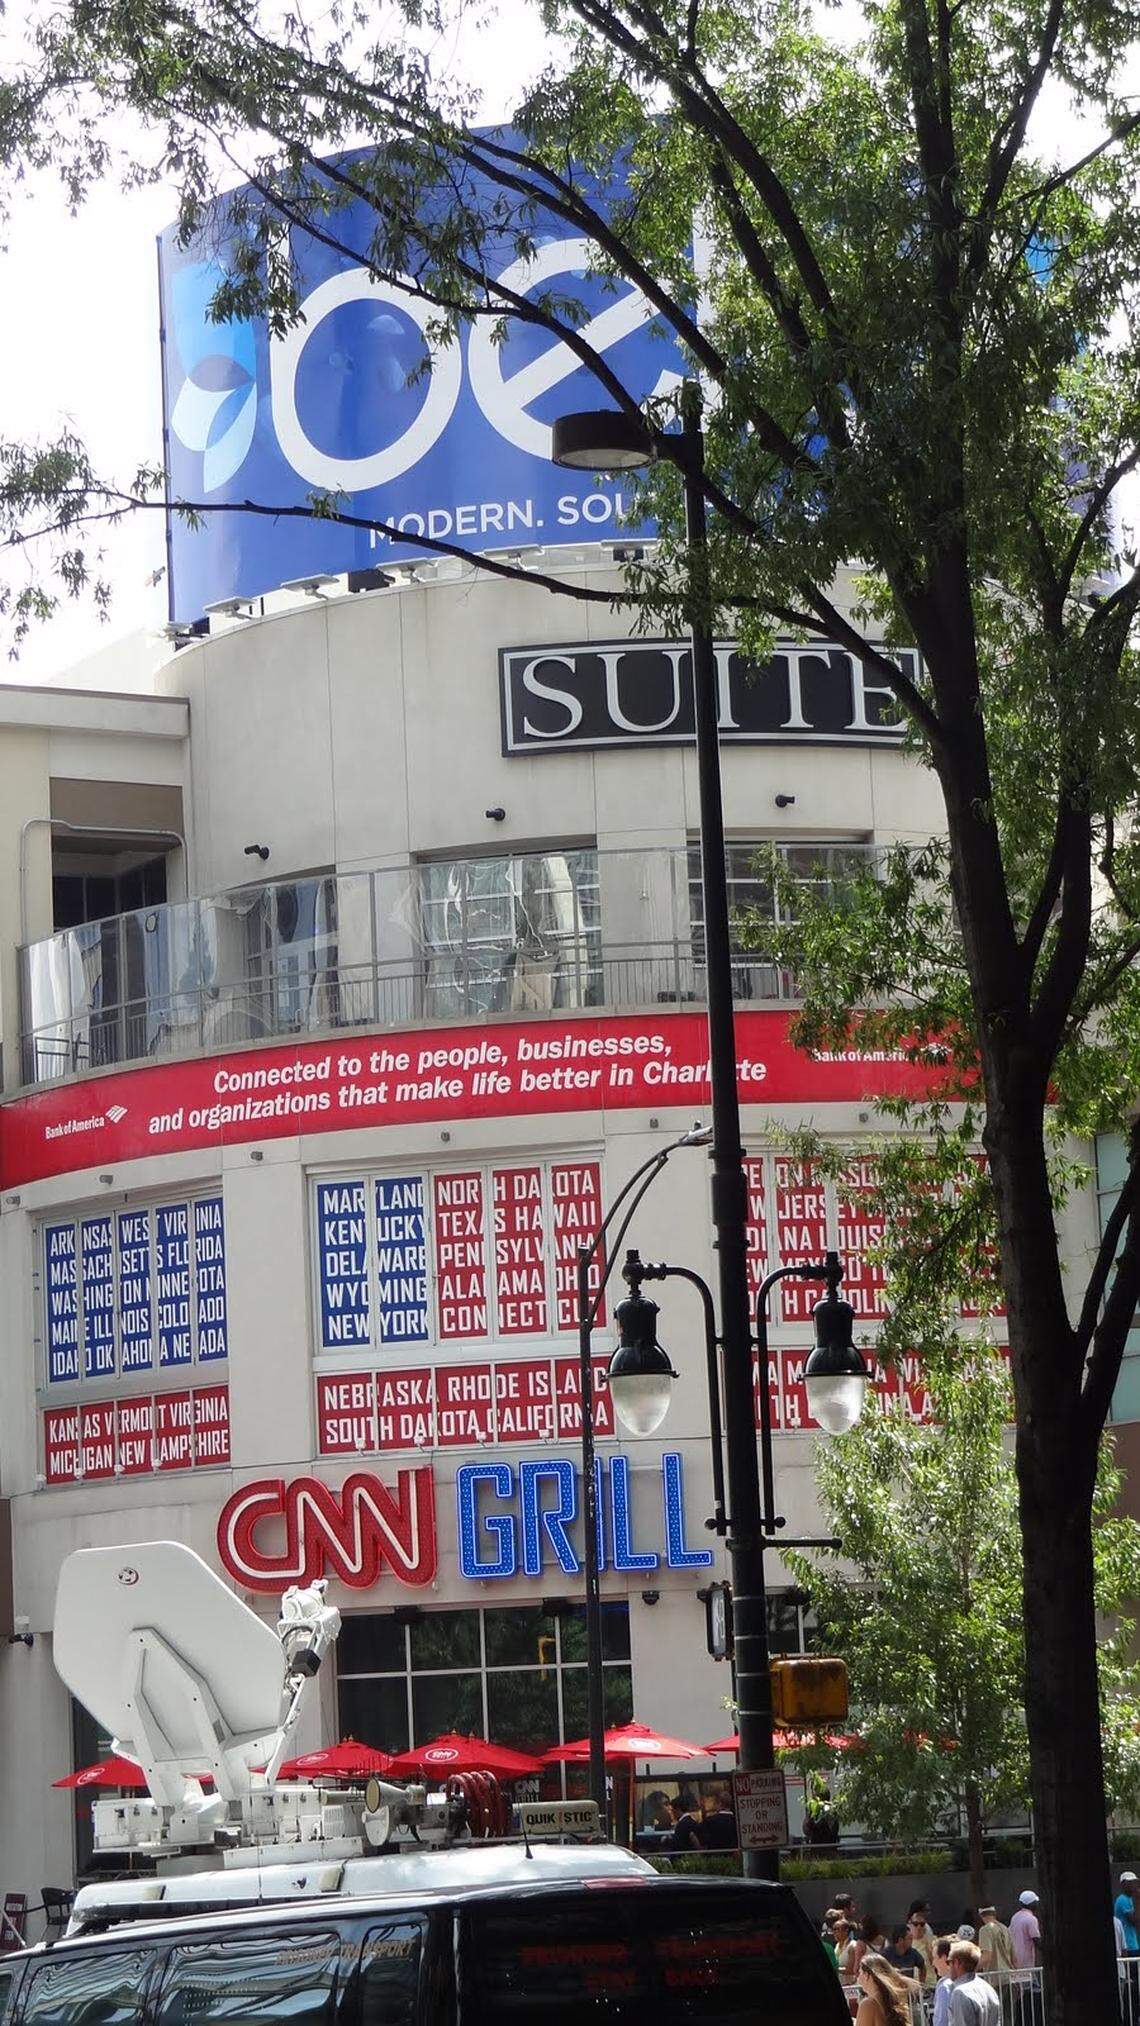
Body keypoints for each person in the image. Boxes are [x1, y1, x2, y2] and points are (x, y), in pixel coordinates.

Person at [947, 1940, 1001, 2024]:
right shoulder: (988, 1989)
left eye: (948, 1962)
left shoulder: (960, 1993)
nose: (948, 1967)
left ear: (957, 1963)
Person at [855, 1951, 912, 2026]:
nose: (858, 1978)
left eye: (860, 1973)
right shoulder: (890, 2001)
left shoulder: (868, 2004)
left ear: (866, 1975)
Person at [907, 1904, 938, 1988]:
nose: (919, 1927)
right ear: (910, 1924)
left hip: (929, 1984)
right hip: (911, 1985)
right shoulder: (905, 1942)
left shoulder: (931, 1939)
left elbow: (934, 1963)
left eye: (922, 1924)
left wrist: (927, 1945)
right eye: (915, 1924)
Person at [977, 1904, 1014, 1976]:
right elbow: (1014, 1958)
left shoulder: (985, 1929)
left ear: (981, 1916)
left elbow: (986, 1957)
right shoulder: (1005, 1928)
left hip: (995, 1977)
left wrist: (970, 1971)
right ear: (994, 1914)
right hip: (1009, 1974)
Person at [1008, 1890, 1040, 1970]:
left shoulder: (1015, 1917)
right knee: (1027, 1977)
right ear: (1032, 1904)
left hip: (1014, 1959)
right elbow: (1036, 1940)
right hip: (1025, 1961)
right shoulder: (1031, 1919)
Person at [852, 1913, 888, 1980]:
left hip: (867, 1977)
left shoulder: (861, 1943)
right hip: (884, 1976)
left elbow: (856, 1966)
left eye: (860, 1924)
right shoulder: (885, 1940)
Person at [932, 1938, 955, 2026]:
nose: (933, 1963)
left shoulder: (944, 1987)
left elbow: (942, 2021)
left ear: (944, 1958)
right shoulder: (980, 1984)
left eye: (935, 1958)